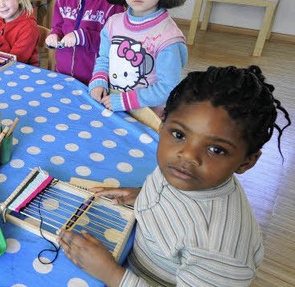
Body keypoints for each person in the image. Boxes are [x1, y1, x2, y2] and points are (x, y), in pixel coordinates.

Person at [59, 65, 291, 286]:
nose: (188, 155)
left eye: (216, 150)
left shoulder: (222, 252)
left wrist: (112, 275)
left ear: (247, 162)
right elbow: (171, 196)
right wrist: (144, 196)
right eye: (179, 134)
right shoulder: (183, 173)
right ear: (162, 125)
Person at [89, 0, 188, 115]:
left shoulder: (169, 38)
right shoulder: (113, 23)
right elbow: (104, 59)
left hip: (148, 118)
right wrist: (98, 81)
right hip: (113, 107)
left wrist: (124, 100)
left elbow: (167, 87)